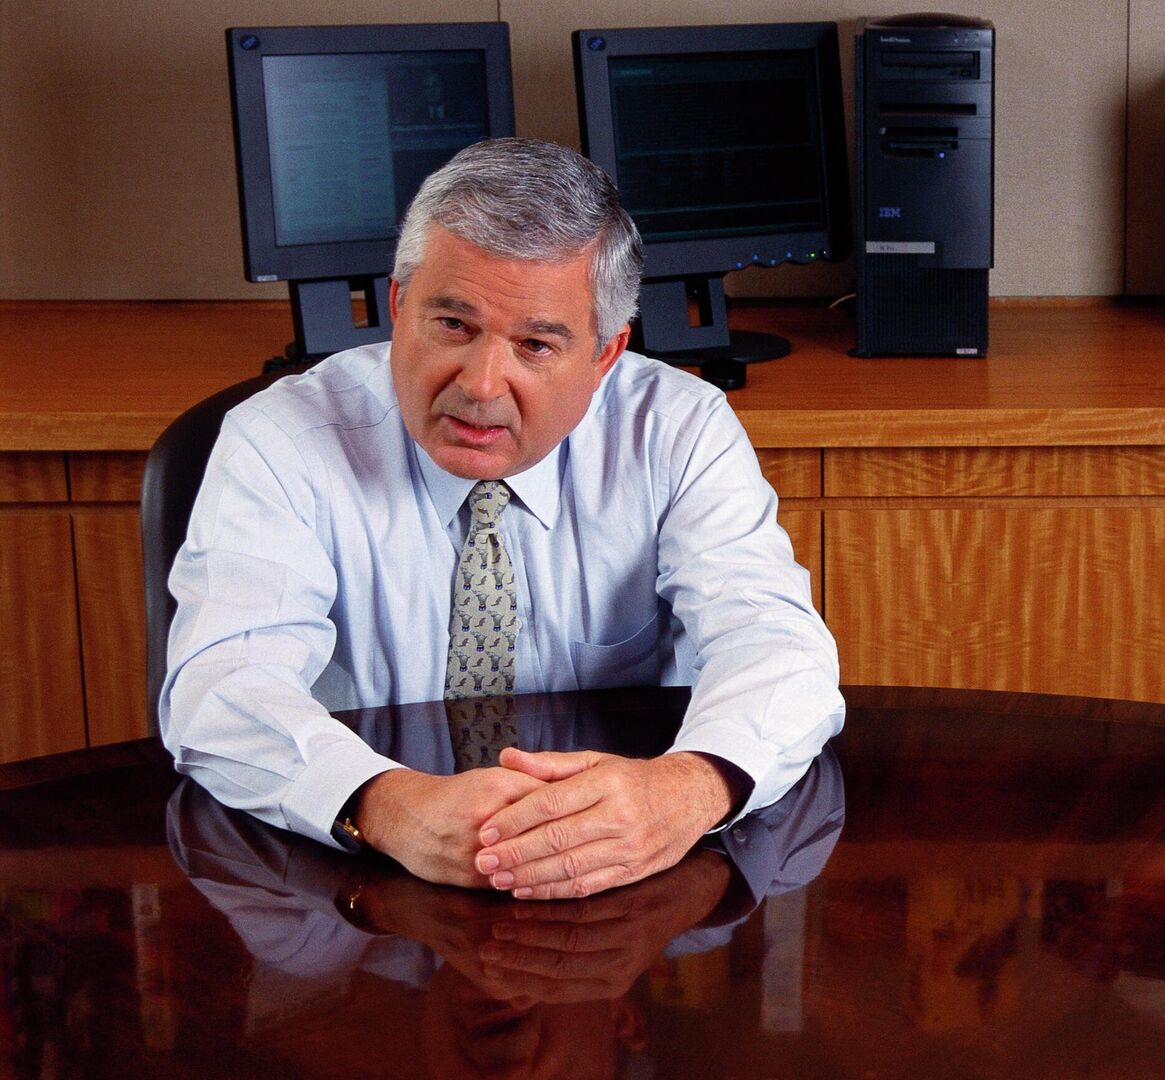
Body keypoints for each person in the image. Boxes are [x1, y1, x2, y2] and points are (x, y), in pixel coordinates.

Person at [160, 137, 843, 901]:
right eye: (453, 325)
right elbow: (222, 685)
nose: (482, 385)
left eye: (536, 344)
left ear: (605, 354)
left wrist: (685, 790)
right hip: (364, 890)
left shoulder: (676, 431)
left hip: (620, 879)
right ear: (398, 304)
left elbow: (778, 649)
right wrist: (381, 803)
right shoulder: (282, 438)